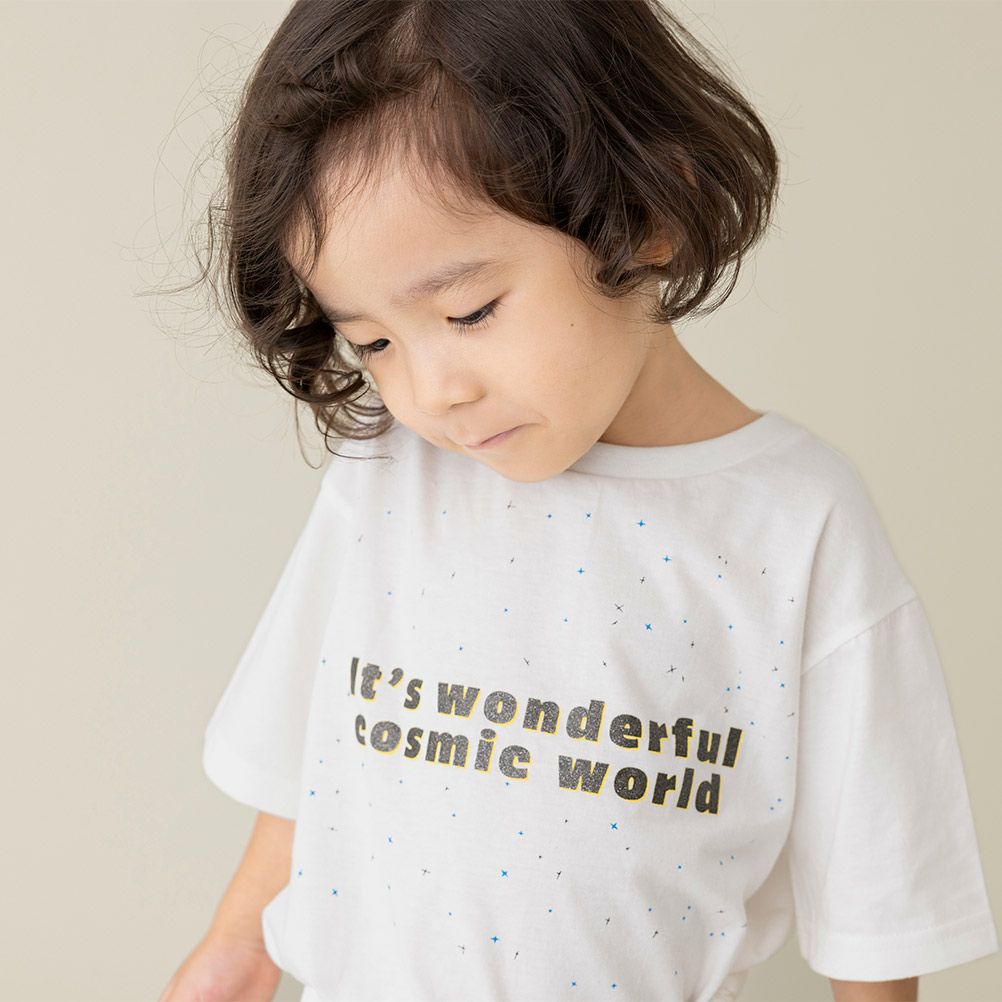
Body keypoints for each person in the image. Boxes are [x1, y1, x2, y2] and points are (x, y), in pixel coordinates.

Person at [158, 2, 998, 1000]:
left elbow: (875, 915)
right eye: (373, 342)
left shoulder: (797, 526)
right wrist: (233, 955)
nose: (430, 391)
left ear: (647, 216)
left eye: (469, 311)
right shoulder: (390, 478)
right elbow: (313, 765)